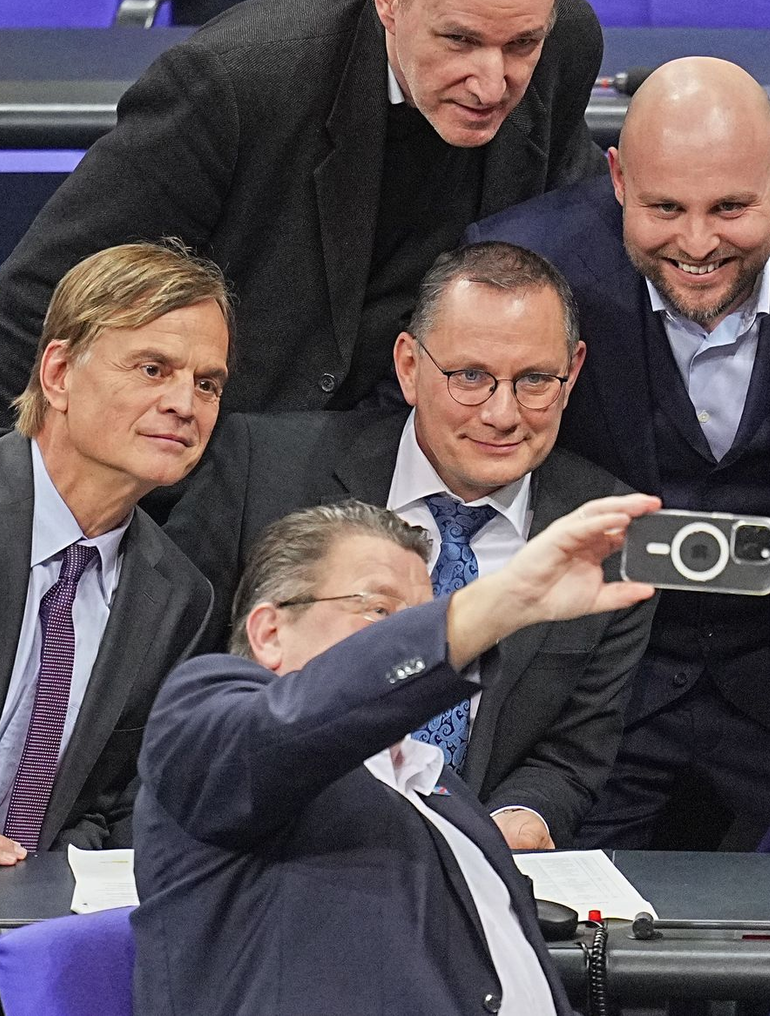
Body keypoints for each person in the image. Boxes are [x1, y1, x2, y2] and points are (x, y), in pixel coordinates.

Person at [470, 56, 770, 849]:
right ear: (617, 177)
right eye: (666, 207)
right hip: (599, 699)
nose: (698, 242)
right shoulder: (521, 275)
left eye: (730, 207)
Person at [0, 0, 605, 418]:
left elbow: (573, 246)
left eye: (521, 44)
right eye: (460, 41)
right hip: (244, 446)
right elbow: (36, 304)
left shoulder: (565, 47)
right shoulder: (236, 84)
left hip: (434, 432)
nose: (492, 84)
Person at [165, 241, 656, 849]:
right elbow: (171, 687)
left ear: (572, 371)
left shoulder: (606, 532)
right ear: (408, 366)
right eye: (470, 377)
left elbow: (571, 756)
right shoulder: (263, 472)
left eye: (535, 380)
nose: (503, 414)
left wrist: (513, 824)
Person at [133, 494, 658, 1016]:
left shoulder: (441, 788)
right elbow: (289, 726)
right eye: (378, 609)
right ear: (270, 632)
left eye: (421, 616)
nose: (409, 635)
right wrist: (506, 600)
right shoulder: (203, 719)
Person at [0, 241, 230, 866]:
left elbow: (110, 805)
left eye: (207, 384)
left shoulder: (181, 596)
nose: (185, 405)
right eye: (153, 369)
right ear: (58, 374)